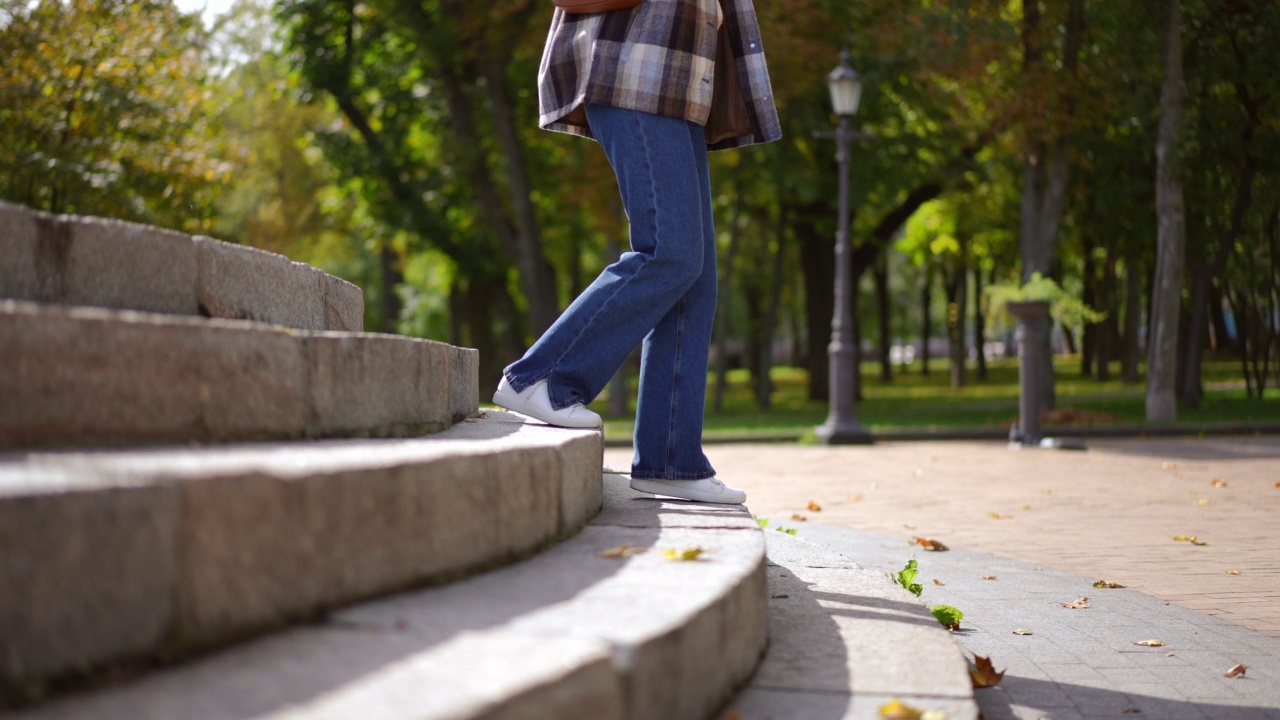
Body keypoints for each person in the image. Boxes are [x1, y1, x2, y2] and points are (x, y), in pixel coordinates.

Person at [493, 0, 781, 505]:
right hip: (635, 73)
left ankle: (670, 460)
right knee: (668, 251)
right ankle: (542, 377)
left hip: (681, 89)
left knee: (693, 279)